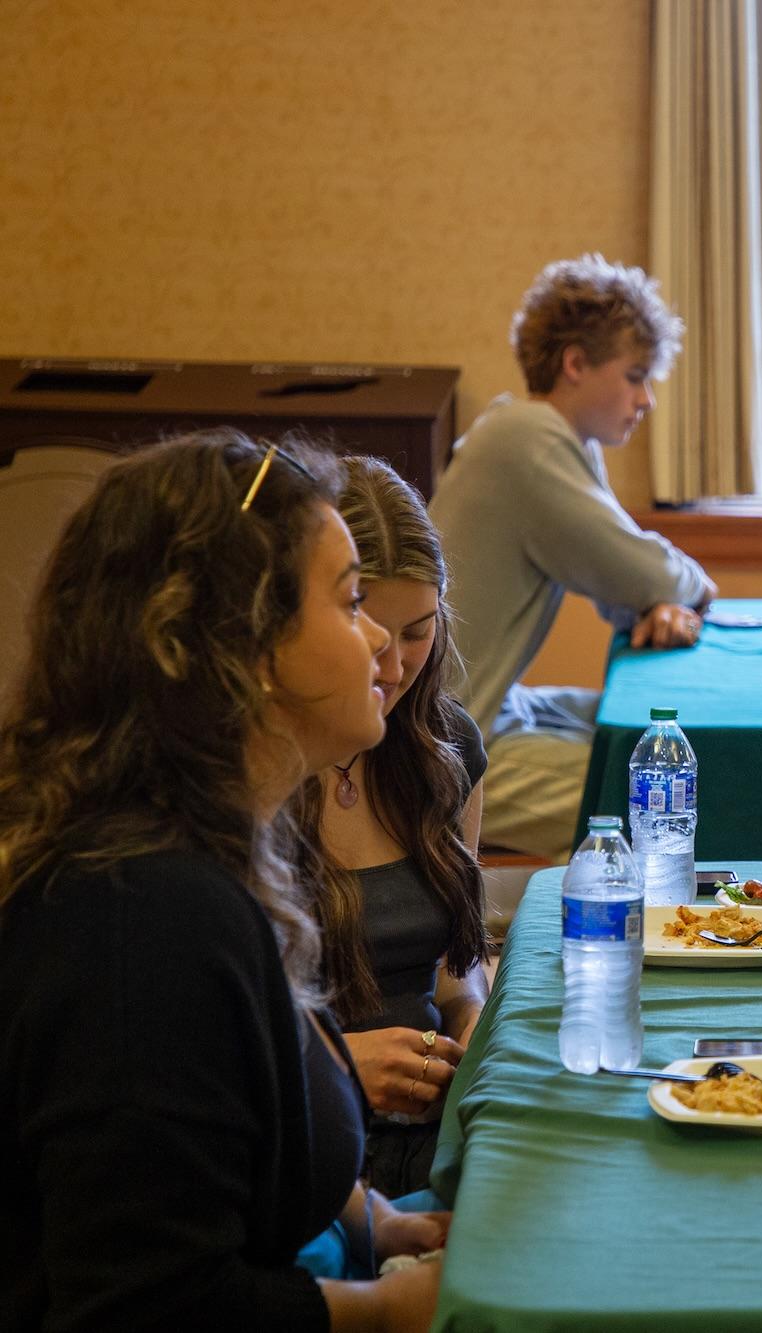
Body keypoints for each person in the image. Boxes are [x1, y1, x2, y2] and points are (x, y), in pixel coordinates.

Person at [0, 432, 449, 1329]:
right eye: (351, 600)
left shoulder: (221, 846)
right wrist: (386, 1310)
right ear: (236, 645)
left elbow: (246, 1133)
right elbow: (153, 1307)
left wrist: (385, 1224)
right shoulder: (142, 917)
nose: (380, 645)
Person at [432, 253, 716, 860]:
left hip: (492, 709)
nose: (646, 401)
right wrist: (675, 591)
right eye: (635, 376)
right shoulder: (529, 441)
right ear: (576, 364)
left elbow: (624, 587)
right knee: (670, 794)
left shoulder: (544, 437)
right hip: (450, 745)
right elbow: (651, 573)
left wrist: (656, 598)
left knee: (664, 735)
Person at [297, 456, 489, 1197]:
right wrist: (341, 1061)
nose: (398, 663)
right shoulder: (257, 767)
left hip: (431, 1119)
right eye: (373, 629)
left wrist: (470, 1018)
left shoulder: (446, 748)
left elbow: (453, 969)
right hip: (314, 1137)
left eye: (420, 630)